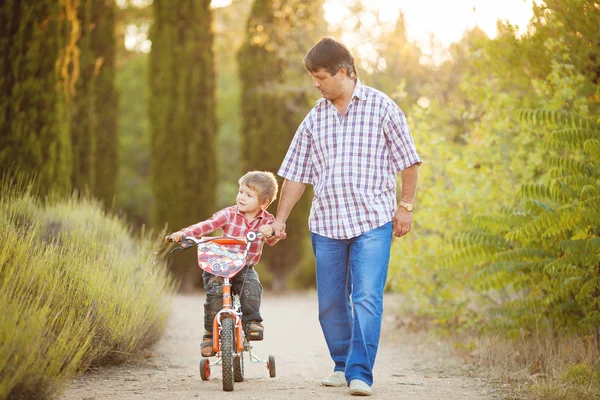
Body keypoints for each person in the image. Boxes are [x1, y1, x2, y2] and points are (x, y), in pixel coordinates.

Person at [271, 37, 421, 396]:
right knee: (331, 304)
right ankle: (342, 363)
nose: (315, 84)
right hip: (327, 224)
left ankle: (359, 373)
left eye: (320, 77)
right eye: (313, 78)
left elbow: (409, 161)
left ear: (344, 72)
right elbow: (295, 175)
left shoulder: (383, 108)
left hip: (373, 222)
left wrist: (406, 205)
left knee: (366, 297)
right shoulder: (313, 119)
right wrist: (280, 219)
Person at [168, 171, 280, 357]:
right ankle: (209, 335)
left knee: (252, 287)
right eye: (241, 191)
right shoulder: (229, 214)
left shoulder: (266, 220)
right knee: (215, 296)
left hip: (244, 266)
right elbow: (207, 225)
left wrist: (270, 232)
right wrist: (185, 233)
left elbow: (274, 237)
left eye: (248, 195)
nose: (241, 197)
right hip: (220, 266)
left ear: (263, 203)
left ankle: (252, 321)